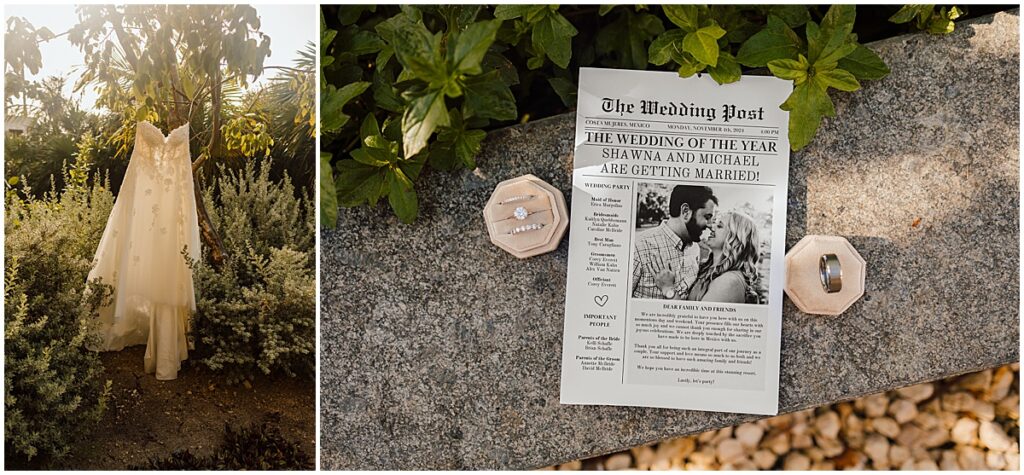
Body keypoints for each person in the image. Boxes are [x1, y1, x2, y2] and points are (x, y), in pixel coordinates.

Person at [631, 185, 717, 299]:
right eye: (707, 217)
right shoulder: (639, 246)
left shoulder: (695, 248)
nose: (711, 225)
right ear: (685, 211)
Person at [686, 211, 763, 304]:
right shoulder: (708, 270)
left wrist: (668, 289)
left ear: (735, 238)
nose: (711, 228)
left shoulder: (729, 281)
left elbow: (694, 317)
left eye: (719, 226)